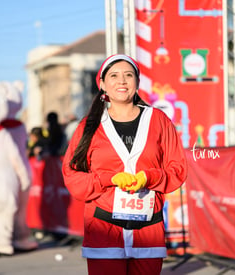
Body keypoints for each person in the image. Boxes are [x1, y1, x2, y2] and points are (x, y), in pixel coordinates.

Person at [62, 54, 187, 275]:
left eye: (128, 75)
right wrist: (108, 178)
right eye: (114, 76)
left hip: (148, 231)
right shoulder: (88, 126)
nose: (122, 81)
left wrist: (149, 177)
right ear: (102, 84)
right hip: (103, 229)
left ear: (137, 82)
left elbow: (177, 169)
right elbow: (72, 176)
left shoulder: (158, 120)